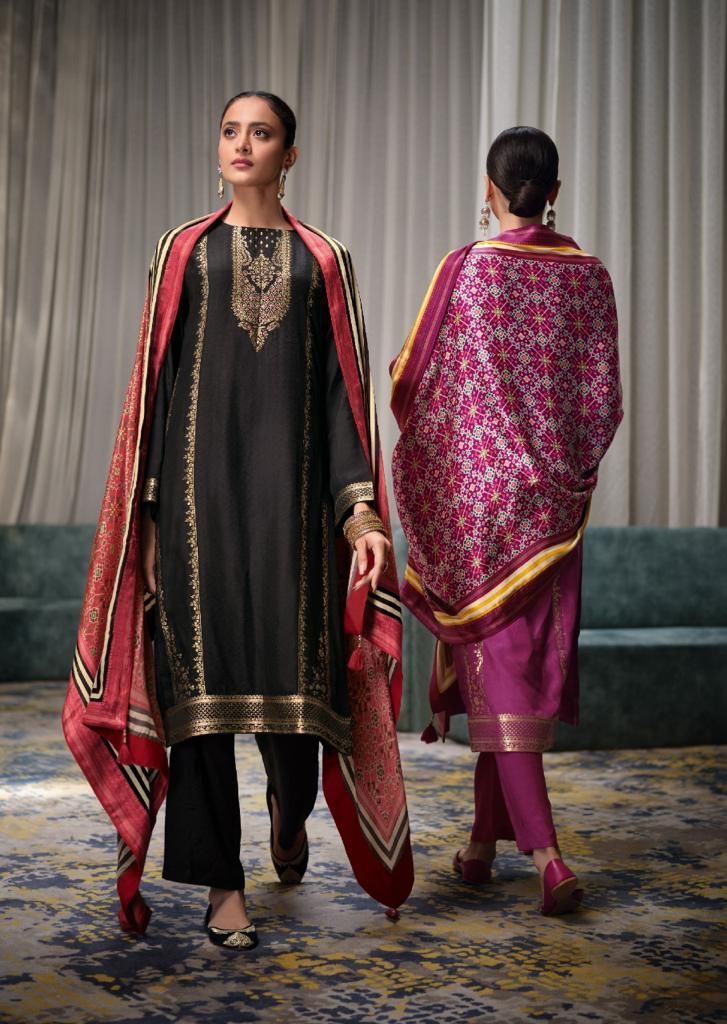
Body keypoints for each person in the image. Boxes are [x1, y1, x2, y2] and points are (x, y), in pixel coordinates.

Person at [63, 91, 413, 950]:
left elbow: (342, 400)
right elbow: (155, 391)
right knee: (200, 706)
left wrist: (362, 515)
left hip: (296, 523)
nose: (242, 144)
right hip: (196, 513)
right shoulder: (182, 251)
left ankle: (289, 816)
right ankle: (224, 885)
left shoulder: (324, 261)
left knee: (298, 714)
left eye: (261, 133)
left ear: (290, 154)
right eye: (230, 131)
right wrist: (148, 517)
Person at [390, 126, 622, 915]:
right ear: (553, 191)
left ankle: (547, 857)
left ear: (488, 190)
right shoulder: (590, 277)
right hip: (552, 515)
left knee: (501, 671)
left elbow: (410, 380)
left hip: (479, 512)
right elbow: (603, 402)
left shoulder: (467, 270)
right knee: (507, 676)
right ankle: (480, 847)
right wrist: (563, 478)